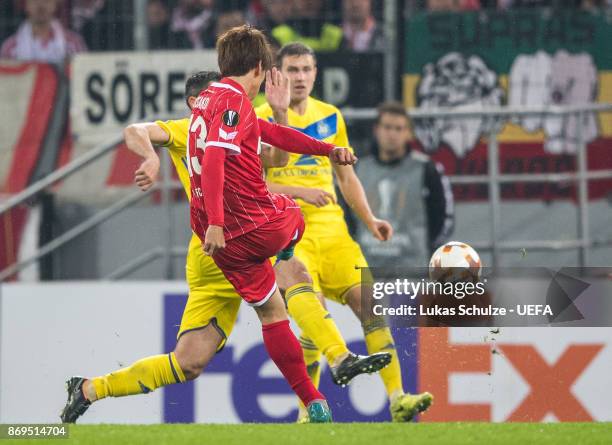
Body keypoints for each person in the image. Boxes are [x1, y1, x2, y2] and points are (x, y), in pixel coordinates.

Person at [59, 65, 391, 423]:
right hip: (228, 243)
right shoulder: (186, 128)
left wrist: (280, 112)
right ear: (195, 101)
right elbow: (135, 130)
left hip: (216, 248)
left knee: (188, 362)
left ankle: (90, 389)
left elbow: (278, 159)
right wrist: (151, 156)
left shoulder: (236, 120)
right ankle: (332, 369)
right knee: (288, 276)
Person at [256, 42, 433, 422]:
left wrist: (371, 220)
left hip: (334, 232)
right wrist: (298, 192)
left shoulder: (330, 115)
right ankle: (309, 410)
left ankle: (398, 399)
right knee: (313, 313)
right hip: (288, 231)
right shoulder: (259, 117)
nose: (299, 77)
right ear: (277, 74)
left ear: (316, 73)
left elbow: (345, 176)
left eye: (306, 69)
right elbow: (251, 185)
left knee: (370, 306)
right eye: (292, 70)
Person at [355, 101, 454, 269]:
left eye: (399, 129)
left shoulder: (427, 169)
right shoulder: (357, 169)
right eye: (387, 127)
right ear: (376, 130)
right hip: (366, 269)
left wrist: (426, 249)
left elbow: (444, 217)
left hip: (411, 269)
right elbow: (343, 215)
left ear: (409, 133)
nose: (392, 134)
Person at [0, 0, 86, 64]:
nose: (41, 5)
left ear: (56, 4)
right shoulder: (10, 48)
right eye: (35, 1)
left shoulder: (73, 44)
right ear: (25, 4)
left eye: (46, 0)